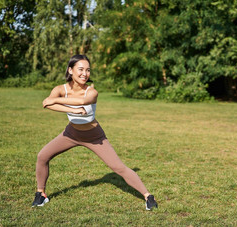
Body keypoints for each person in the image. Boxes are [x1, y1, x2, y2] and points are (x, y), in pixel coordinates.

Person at [32, 55, 158, 211]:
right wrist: (71, 109)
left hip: (94, 136)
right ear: (70, 70)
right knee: (42, 156)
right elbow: (47, 103)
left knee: (118, 167)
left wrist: (57, 100)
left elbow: (80, 102)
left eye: (88, 70)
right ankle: (41, 194)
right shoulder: (60, 89)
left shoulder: (92, 92)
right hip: (71, 133)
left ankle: (148, 196)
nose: (85, 73)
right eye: (81, 69)